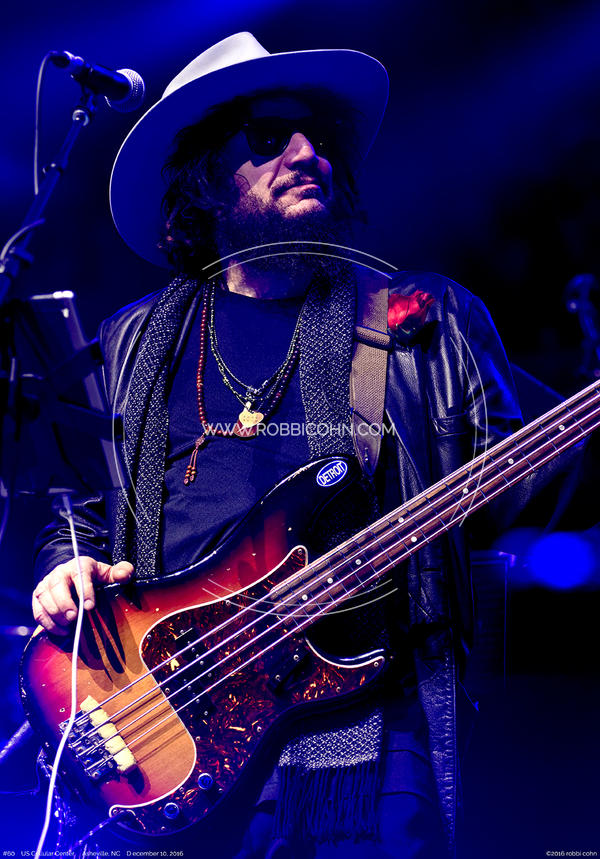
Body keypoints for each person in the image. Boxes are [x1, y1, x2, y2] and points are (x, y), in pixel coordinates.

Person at [29, 32, 559, 859]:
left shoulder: (420, 323)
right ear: (206, 178)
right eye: (271, 135)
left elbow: (543, 476)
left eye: (319, 136)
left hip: (364, 737)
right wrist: (65, 566)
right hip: (162, 738)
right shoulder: (133, 342)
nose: (308, 152)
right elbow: (79, 507)